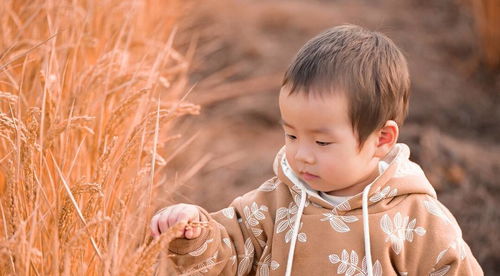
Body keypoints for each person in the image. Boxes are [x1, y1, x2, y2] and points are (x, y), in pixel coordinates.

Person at [150, 24, 483, 275]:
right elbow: (228, 257)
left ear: (381, 139)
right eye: (291, 136)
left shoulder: (419, 222)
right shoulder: (272, 206)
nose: (302, 155)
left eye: (322, 142)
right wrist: (195, 233)